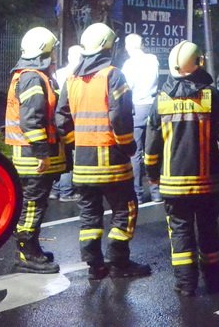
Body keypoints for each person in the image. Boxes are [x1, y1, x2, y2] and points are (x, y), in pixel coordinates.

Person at [56, 22, 151, 280]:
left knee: (89, 214)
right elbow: (120, 116)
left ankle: (95, 266)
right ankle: (119, 261)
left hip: (83, 161)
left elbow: (61, 118)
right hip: (111, 159)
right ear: (110, 47)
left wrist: (78, 142)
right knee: (126, 208)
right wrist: (127, 145)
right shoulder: (113, 75)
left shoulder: (71, 79)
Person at [144, 40, 219, 296]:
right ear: (198, 64)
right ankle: (215, 281)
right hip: (206, 182)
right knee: (209, 230)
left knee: (180, 232)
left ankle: (186, 285)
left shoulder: (161, 100)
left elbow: (151, 146)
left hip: (173, 184)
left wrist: (152, 174)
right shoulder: (213, 97)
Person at [5, 27, 68, 273]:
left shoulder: (29, 75)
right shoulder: (33, 77)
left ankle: (30, 248)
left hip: (27, 153)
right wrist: (42, 153)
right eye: (53, 50)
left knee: (32, 203)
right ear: (45, 51)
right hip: (32, 156)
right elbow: (31, 119)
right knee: (33, 205)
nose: (55, 55)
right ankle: (27, 253)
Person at [121, 33, 162, 204]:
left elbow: (126, 90)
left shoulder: (128, 65)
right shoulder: (153, 60)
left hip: (136, 108)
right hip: (153, 107)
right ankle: (156, 192)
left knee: (135, 154)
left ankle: (137, 195)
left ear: (127, 47)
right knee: (154, 150)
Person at [50, 45, 83, 202]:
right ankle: (66, 191)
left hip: (56, 120)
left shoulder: (59, 73)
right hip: (70, 120)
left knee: (60, 155)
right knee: (69, 157)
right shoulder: (77, 76)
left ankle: (55, 189)